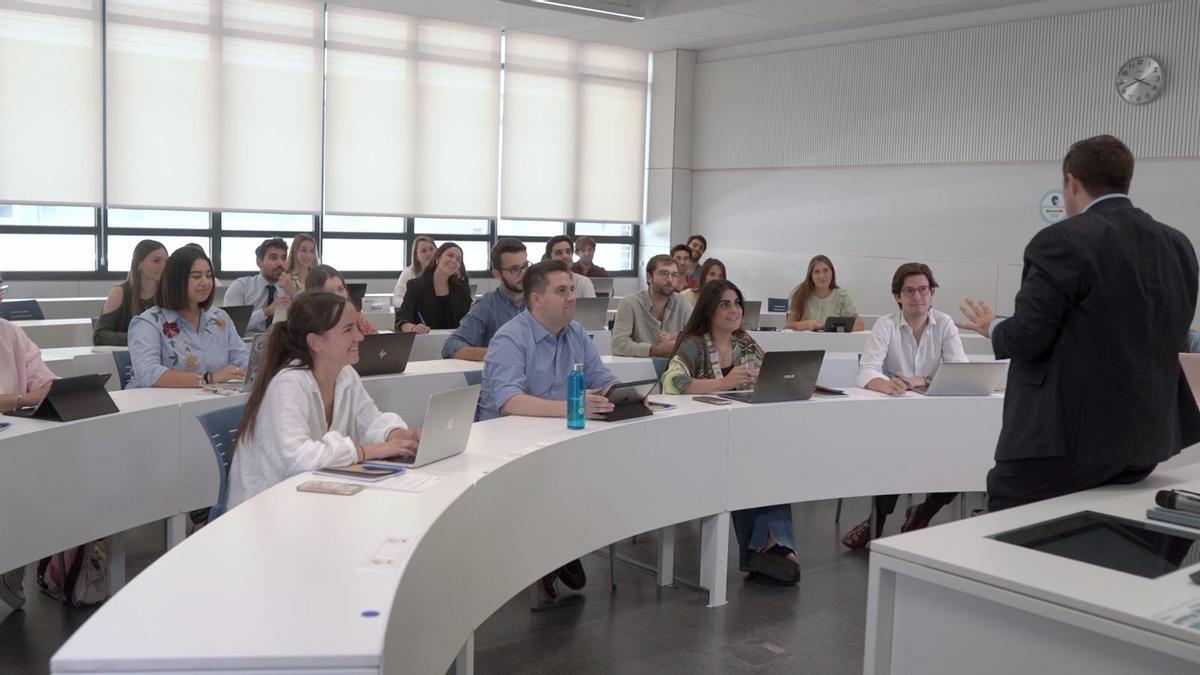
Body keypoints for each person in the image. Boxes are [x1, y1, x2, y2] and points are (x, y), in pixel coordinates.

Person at [959, 135, 1200, 512]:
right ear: (1125, 180)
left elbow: (1026, 339)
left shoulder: (1061, 241)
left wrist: (994, 327)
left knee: (1008, 526)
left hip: (1067, 441)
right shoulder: (1179, 245)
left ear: (1072, 181)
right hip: (1146, 440)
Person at [480, 260, 620, 601]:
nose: (572, 297)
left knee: (606, 468)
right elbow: (509, 402)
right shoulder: (510, 337)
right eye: (562, 291)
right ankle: (553, 551)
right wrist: (574, 407)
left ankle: (561, 546)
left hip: (560, 435)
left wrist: (626, 395)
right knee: (558, 476)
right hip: (505, 444)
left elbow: (603, 380)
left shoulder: (576, 334)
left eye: (571, 289)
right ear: (536, 299)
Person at [661, 279, 800, 585]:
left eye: (737, 303)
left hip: (739, 433)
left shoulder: (745, 342)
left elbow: (771, 372)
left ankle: (769, 547)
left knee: (768, 459)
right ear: (708, 310)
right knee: (755, 461)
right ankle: (768, 547)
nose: (734, 310)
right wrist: (723, 383)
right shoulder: (694, 344)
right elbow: (673, 383)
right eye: (724, 304)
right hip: (699, 438)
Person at [227, 290, 421, 508]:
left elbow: (371, 420)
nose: (360, 336)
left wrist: (402, 436)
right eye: (348, 330)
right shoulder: (288, 384)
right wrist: (366, 452)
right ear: (316, 342)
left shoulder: (345, 374)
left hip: (310, 498)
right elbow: (298, 460)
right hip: (265, 509)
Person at [841, 262, 967, 549]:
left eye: (923, 290)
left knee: (965, 457)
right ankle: (877, 521)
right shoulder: (886, 325)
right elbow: (867, 369)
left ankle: (923, 513)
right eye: (908, 291)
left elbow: (960, 369)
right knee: (897, 455)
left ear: (932, 293)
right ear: (898, 296)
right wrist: (886, 384)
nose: (916, 296)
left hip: (940, 417)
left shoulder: (945, 323)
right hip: (896, 417)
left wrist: (919, 379)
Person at [0, 282, 58, 610]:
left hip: (17, 437)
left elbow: (44, 378)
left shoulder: (10, 332)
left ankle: (15, 561)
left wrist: (40, 391)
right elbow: (30, 395)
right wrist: (22, 399)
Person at [127, 246, 248, 389]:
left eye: (209, 275)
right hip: (158, 406)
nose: (205, 282)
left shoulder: (219, 318)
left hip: (209, 400)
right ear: (176, 281)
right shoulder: (148, 322)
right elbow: (148, 373)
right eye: (196, 276)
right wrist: (209, 379)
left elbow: (242, 360)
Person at [442, 238, 527, 361]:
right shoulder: (487, 305)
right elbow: (450, 346)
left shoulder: (541, 300)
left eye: (525, 266)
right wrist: (498, 353)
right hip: (505, 376)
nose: (523, 273)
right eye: (514, 269)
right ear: (497, 274)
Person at [611, 254, 690, 358]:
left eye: (674, 275)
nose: (670, 280)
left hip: (675, 367)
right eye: (664, 274)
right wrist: (656, 350)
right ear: (649, 277)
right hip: (638, 369)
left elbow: (697, 337)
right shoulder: (630, 302)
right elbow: (619, 345)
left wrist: (676, 338)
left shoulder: (682, 301)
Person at [94, 239, 167, 346]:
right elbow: (99, 336)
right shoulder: (119, 292)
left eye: (166, 262)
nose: (163, 266)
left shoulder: (166, 294)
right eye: (156, 261)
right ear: (139, 264)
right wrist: (140, 338)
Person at [394, 242, 472, 333]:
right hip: (424, 342)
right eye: (450, 255)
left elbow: (470, 320)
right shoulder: (416, 286)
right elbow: (401, 321)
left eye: (459, 259)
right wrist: (413, 328)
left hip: (454, 343)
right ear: (438, 258)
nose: (454, 260)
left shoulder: (461, 289)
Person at [224, 238, 290, 336]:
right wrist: (267, 311)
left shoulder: (288, 289)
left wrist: (294, 295)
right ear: (259, 262)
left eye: (283, 258)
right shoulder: (241, 287)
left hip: (280, 346)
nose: (280, 263)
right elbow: (232, 326)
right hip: (245, 347)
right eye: (273, 258)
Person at [786, 255, 864, 332]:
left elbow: (860, 324)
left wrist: (834, 328)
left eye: (825, 270)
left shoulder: (841, 296)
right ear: (811, 275)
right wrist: (807, 324)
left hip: (833, 342)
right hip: (805, 343)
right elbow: (789, 326)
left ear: (832, 272)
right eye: (817, 272)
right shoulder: (800, 294)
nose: (822, 276)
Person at [306, 264, 378, 335]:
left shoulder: (357, 318)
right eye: (329, 292)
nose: (338, 296)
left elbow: (378, 342)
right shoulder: (310, 326)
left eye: (340, 289)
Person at [393, 235, 437, 307]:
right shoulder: (409, 273)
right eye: (423, 251)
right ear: (416, 256)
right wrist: (413, 307)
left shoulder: (442, 271)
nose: (429, 254)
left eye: (431, 249)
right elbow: (397, 299)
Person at [280, 233, 318, 297]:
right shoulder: (286, 279)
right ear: (295, 251)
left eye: (312, 251)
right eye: (303, 250)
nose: (308, 255)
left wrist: (294, 293)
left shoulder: (319, 278)